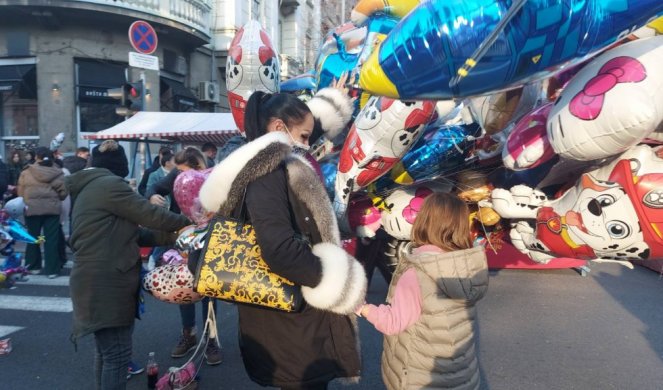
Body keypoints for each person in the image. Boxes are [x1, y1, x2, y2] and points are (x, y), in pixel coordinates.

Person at [198, 91, 367, 389]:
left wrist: (334, 102)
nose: (307, 145)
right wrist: (338, 282)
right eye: (303, 136)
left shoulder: (269, 166)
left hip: (289, 321)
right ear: (279, 128)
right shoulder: (268, 173)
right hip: (293, 323)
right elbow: (278, 250)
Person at [67, 140, 189, 390]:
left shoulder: (92, 187)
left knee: (107, 353)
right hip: (106, 280)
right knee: (118, 355)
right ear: (118, 166)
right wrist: (189, 222)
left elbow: (132, 234)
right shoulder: (109, 185)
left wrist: (175, 237)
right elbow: (150, 214)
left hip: (94, 278)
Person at [356, 192, 489, 390]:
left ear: (424, 221)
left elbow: (393, 322)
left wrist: (363, 308)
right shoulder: (466, 264)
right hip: (460, 375)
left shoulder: (417, 272)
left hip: (421, 376)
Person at [149, 147, 223, 366]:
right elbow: (154, 187)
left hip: (211, 238)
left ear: (198, 167)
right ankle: (188, 333)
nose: (181, 178)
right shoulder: (176, 173)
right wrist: (153, 195)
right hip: (185, 236)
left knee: (208, 289)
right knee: (184, 285)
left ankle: (210, 340)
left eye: (184, 173)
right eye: (178, 173)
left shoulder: (215, 174)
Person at [17, 147, 67, 278]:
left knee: (33, 238)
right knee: (51, 239)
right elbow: (63, 192)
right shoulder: (57, 171)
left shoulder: (27, 171)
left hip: (32, 209)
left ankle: (33, 266)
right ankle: (52, 270)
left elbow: (20, 192)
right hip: (52, 210)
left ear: (36, 157)